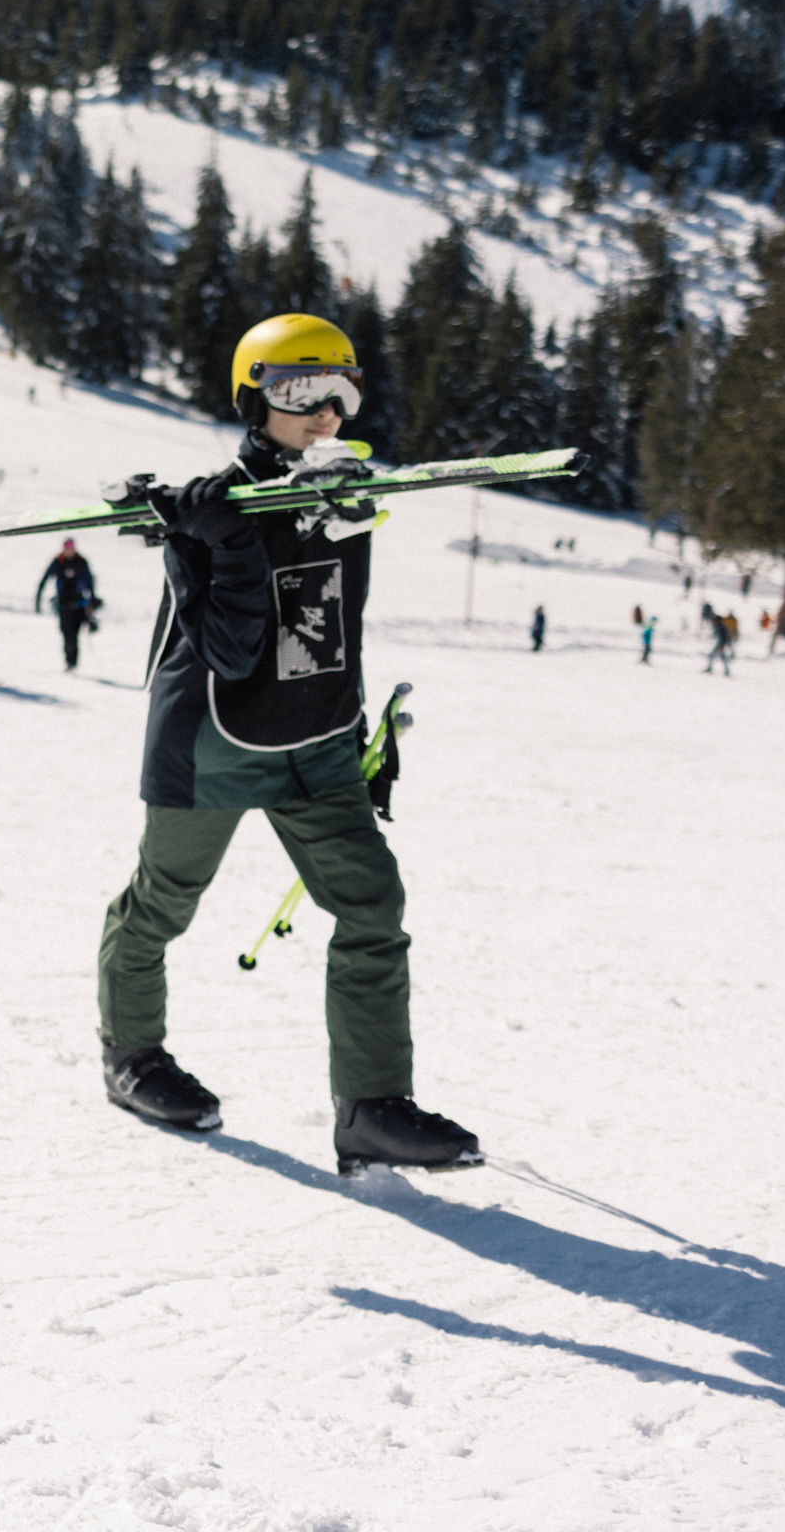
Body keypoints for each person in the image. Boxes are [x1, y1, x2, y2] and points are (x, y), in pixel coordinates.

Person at [97, 313, 480, 1175]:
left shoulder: (342, 496)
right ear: (253, 398)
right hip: (214, 741)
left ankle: (371, 1107)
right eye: (299, 393)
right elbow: (231, 653)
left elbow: (330, 624)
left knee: (373, 906)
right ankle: (132, 1054)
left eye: (340, 394)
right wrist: (219, 541)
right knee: (162, 904)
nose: (324, 413)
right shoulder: (208, 510)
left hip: (317, 741)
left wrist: (358, 741)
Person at [34, 537, 100, 671]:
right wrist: (38, 599)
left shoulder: (81, 562)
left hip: (79, 605)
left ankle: (73, 663)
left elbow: (89, 581)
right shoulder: (58, 561)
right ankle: (70, 662)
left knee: (74, 635)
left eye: (71, 547)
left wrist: (92, 600)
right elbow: (44, 579)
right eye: (67, 547)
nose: (69, 550)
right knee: (67, 635)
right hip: (63, 605)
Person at [703, 603, 733, 676]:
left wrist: (721, 645)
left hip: (721, 643)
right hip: (721, 642)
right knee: (721, 657)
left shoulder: (719, 626)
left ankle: (712, 668)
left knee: (714, 656)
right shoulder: (719, 625)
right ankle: (726, 671)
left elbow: (723, 636)